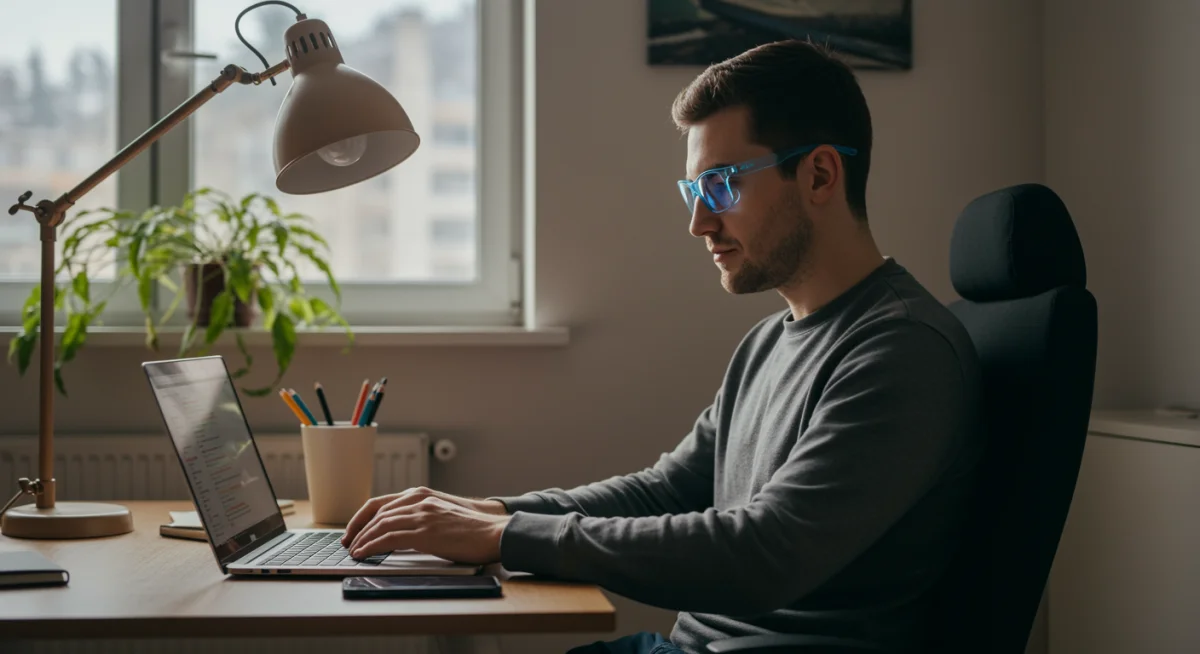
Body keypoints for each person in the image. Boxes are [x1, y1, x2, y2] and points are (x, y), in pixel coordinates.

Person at [341, 39, 983, 654]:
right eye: (693, 190)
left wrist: (507, 536)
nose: (699, 222)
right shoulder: (768, 343)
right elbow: (665, 491)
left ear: (818, 174)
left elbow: (764, 553)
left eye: (722, 184)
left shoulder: (901, 351)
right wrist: (490, 512)